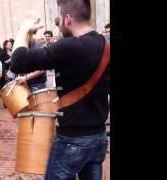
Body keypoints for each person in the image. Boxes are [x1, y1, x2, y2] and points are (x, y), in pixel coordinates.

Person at [10, 0, 109, 179]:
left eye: (59, 18)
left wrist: (24, 30)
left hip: (72, 138)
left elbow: (17, 62)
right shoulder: (106, 44)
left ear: (68, 19)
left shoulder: (69, 46)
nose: (58, 23)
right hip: (98, 137)